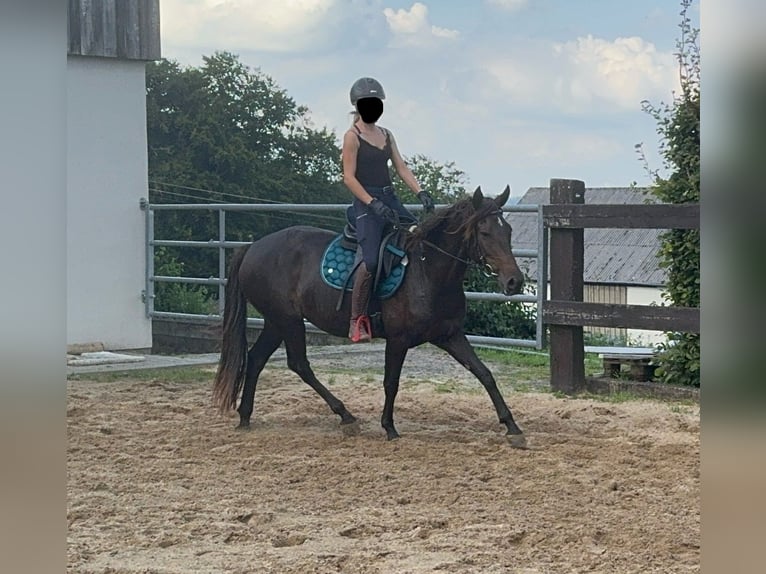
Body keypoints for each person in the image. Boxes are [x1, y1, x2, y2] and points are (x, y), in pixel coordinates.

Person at [342, 77, 435, 343]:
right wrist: (372, 203)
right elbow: (349, 177)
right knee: (370, 260)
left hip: (389, 198)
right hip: (365, 203)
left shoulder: (387, 134)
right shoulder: (352, 137)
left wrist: (420, 191)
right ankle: (356, 320)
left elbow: (401, 166)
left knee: (420, 236)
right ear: (358, 107)